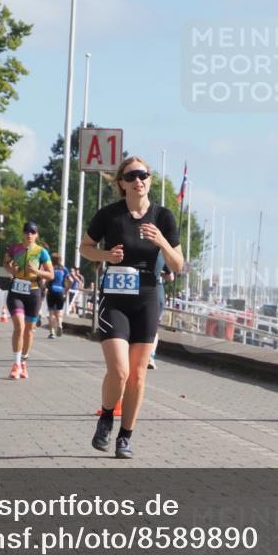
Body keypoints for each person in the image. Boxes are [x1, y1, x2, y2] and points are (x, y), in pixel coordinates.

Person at [80, 156, 183, 459]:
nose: (138, 180)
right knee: (120, 371)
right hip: (115, 298)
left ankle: (125, 437)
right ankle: (106, 416)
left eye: (143, 175)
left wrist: (162, 242)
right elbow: (85, 248)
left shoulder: (163, 216)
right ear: (122, 183)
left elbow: (179, 264)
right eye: (131, 176)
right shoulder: (109, 215)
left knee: (138, 375)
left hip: (147, 297)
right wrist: (106, 256)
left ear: (150, 179)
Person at [4, 222, 54, 379]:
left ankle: (24, 361)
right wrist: (11, 269)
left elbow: (51, 274)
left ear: (37, 235)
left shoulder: (41, 252)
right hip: (16, 291)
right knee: (19, 326)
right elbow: (5, 263)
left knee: (29, 329)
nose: (29, 235)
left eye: (33, 232)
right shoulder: (14, 248)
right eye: (27, 232)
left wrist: (37, 271)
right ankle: (16, 364)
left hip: (33, 291)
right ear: (22, 234)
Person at [147, 255, 175, 370]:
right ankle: (150, 356)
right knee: (153, 328)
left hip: (141, 289)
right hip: (157, 290)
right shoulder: (161, 254)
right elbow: (171, 277)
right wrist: (160, 273)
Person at [45, 253, 71, 339]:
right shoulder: (64, 269)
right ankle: (59, 325)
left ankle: (52, 333)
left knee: (51, 313)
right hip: (60, 291)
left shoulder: (50, 268)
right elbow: (70, 280)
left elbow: (46, 280)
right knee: (59, 312)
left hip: (51, 291)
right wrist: (66, 291)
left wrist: (45, 287)